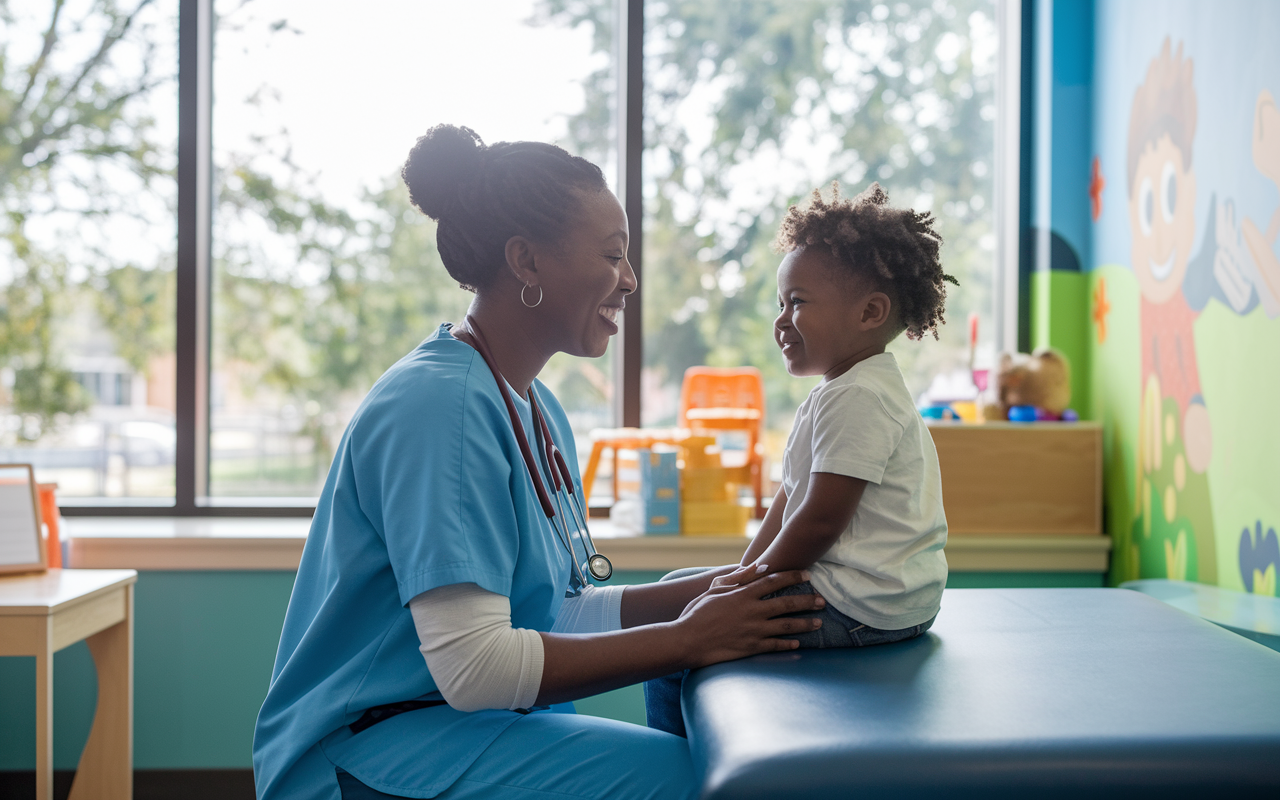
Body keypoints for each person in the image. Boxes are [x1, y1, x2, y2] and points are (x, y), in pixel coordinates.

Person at [251, 124, 826, 800]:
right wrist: (690, 638)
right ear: (526, 261)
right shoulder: (440, 410)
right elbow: (474, 665)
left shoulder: (533, 406)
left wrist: (724, 589)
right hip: (369, 752)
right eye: (613, 256)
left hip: (456, 726)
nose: (631, 280)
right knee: (694, 783)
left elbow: (552, 613)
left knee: (698, 687)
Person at [645, 182, 954, 737]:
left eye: (799, 302)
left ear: (870, 312)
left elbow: (818, 521)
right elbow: (791, 498)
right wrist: (744, 573)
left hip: (863, 608)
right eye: (780, 303)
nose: (781, 320)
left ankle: (676, 777)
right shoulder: (842, 391)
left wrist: (748, 586)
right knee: (688, 587)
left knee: (679, 640)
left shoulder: (859, 397)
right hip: (873, 598)